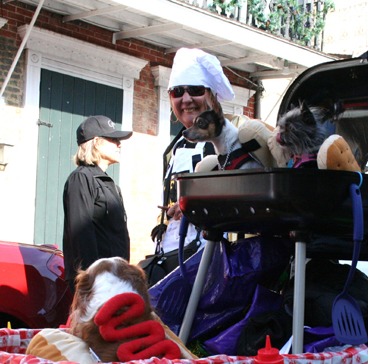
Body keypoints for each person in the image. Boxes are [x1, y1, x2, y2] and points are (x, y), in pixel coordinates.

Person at [153, 47, 237, 253]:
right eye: (178, 92)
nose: (187, 99)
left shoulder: (235, 138)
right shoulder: (174, 146)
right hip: (174, 251)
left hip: (214, 252)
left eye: (196, 90)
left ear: (211, 95)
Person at [62, 115, 133, 287]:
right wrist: (93, 280)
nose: (119, 144)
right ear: (96, 142)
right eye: (114, 139)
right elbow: (81, 234)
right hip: (97, 282)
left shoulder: (107, 183)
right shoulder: (81, 178)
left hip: (114, 278)